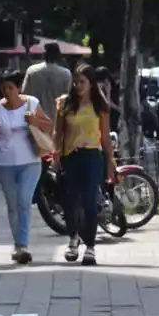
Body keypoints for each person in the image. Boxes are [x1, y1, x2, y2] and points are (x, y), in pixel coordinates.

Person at [0, 70, 53, 265]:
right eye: (3, 87)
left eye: (10, 87)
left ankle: (23, 244)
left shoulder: (31, 103)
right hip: (4, 163)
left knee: (24, 201)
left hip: (30, 161)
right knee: (13, 205)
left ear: (18, 88)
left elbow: (49, 125)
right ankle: (18, 245)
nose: (7, 91)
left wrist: (34, 121)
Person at [54, 63, 116, 267]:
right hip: (70, 156)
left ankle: (90, 246)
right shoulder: (64, 104)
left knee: (89, 201)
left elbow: (105, 138)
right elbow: (58, 133)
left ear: (91, 84)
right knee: (70, 201)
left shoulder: (100, 106)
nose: (78, 85)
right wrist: (55, 155)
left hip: (92, 156)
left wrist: (111, 163)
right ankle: (73, 238)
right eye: (76, 82)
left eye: (82, 82)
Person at [22, 42, 72, 125]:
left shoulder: (32, 70)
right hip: (57, 120)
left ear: (44, 54)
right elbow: (68, 97)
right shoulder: (66, 73)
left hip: (35, 119)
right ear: (58, 56)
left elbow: (24, 93)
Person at [95, 65, 121, 134]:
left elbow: (109, 104)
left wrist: (108, 91)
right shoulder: (97, 88)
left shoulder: (111, 86)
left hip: (111, 116)